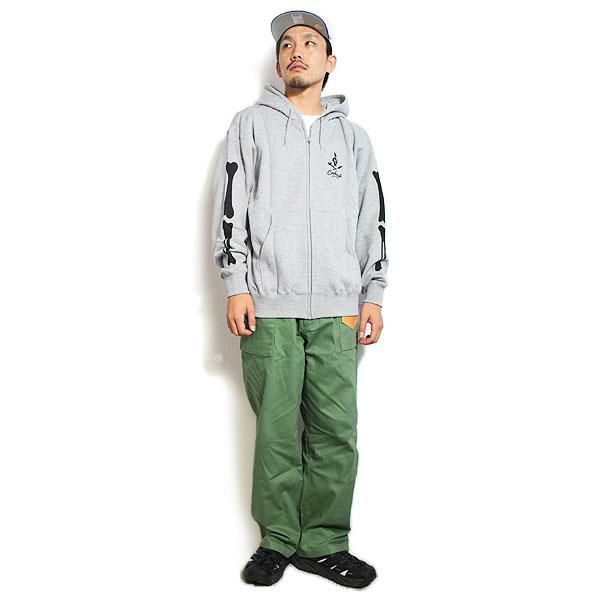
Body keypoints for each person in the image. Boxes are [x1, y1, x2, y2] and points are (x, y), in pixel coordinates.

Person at [211, 10, 388, 588]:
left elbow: (372, 219)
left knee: (337, 432)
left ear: (328, 61)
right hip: (269, 305)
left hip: (339, 309)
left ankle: (324, 544)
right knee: (276, 431)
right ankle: (278, 540)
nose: (297, 50)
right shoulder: (249, 126)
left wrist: (373, 294)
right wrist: (236, 284)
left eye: (310, 42)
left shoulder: (353, 139)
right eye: (287, 43)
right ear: (278, 60)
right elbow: (231, 206)